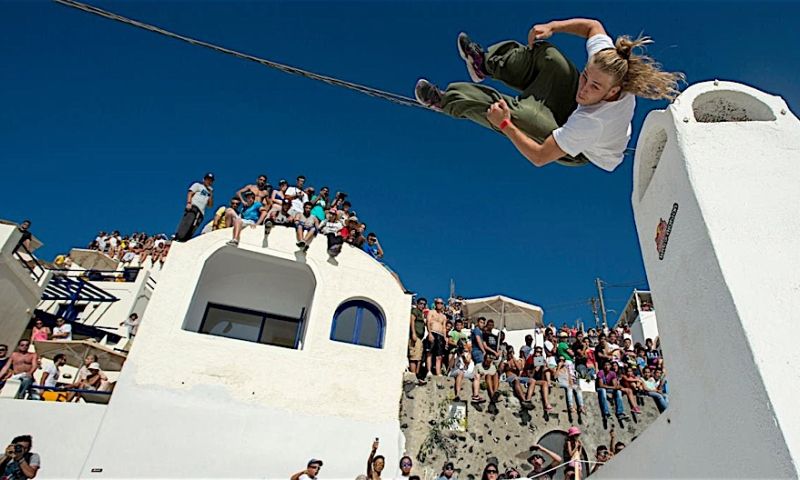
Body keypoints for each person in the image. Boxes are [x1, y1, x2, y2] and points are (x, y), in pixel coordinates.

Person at [415, 19, 683, 172]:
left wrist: (505, 125)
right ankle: (484, 62)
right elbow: (593, 27)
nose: (584, 87)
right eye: (586, 76)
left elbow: (540, 156)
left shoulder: (592, 123)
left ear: (614, 92)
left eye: (594, 87)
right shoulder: (608, 63)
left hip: (578, 149)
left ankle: (446, 100)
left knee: (518, 115)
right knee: (551, 58)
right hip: (578, 114)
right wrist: (554, 26)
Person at [175, 173, 214, 242]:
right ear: (204, 179)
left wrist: (211, 194)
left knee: (194, 226)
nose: (209, 182)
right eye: (207, 179)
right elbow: (190, 193)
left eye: (210, 180)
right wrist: (189, 203)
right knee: (187, 222)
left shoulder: (209, 192)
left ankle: (186, 239)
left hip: (201, 212)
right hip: (194, 207)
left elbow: (210, 205)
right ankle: (179, 237)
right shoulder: (198, 185)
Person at [425, 298, 448, 377]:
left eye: (441, 303)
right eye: (438, 303)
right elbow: (428, 322)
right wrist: (430, 333)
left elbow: (444, 327)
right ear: (435, 303)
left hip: (440, 335)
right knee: (429, 353)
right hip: (433, 332)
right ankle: (429, 371)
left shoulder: (444, 316)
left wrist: (445, 337)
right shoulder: (431, 312)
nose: (439, 304)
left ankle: (438, 373)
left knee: (439, 355)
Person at [408, 298, 427, 377]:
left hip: (420, 338)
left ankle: (416, 375)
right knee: (414, 357)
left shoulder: (421, 313)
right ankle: (413, 375)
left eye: (424, 304)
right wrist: (413, 333)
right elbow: (412, 321)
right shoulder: (415, 311)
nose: (422, 305)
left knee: (418, 357)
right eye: (421, 303)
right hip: (415, 337)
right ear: (417, 303)